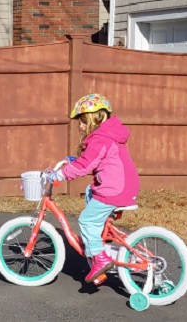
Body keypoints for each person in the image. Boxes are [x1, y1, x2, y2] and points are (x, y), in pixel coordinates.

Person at [47, 93, 140, 284]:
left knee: (86, 220)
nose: (80, 126)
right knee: (90, 190)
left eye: (82, 121)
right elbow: (94, 159)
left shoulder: (100, 139)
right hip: (123, 186)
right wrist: (74, 160)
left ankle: (100, 258)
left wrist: (60, 175)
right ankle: (100, 238)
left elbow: (84, 166)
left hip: (114, 190)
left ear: (93, 119)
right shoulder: (109, 134)